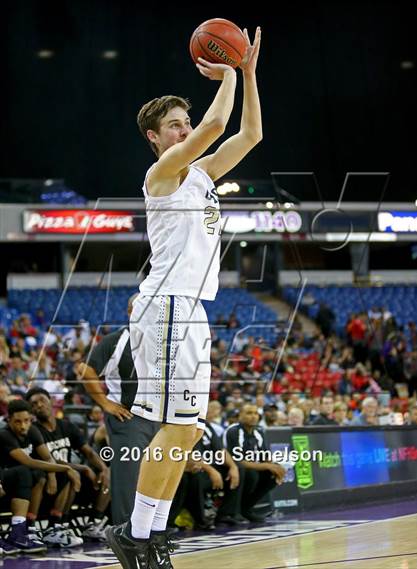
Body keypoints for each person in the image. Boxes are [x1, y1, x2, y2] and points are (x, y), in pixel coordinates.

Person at [106, 27, 263, 569]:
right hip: (168, 304)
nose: (186, 130)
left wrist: (248, 73)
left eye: (186, 123)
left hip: (191, 308)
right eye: (175, 125)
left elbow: (248, 136)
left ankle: (147, 534)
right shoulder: (163, 173)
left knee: (190, 426)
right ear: (154, 137)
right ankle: (135, 532)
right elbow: (220, 123)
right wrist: (226, 71)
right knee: (174, 426)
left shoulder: (199, 176)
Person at [78, 294, 159, 525]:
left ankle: (149, 528)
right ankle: (126, 529)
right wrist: (105, 403)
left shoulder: (158, 341)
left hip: (156, 416)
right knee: (128, 477)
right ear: (130, 312)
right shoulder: (117, 340)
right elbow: (86, 371)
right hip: (128, 418)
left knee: (154, 474)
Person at [25, 387, 110, 542]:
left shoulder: (66, 426)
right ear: (31, 410)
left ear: (51, 402)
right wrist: (81, 468)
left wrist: (103, 468)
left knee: (110, 474)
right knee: (70, 473)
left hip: (71, 480)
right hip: (49, 483)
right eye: (34, 404)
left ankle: (94, 524)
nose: (39, 405)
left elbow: (89, 452)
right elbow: (47, 460)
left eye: (42, 400)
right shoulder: (33, 431)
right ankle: (56, 526)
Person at [0, 400, 81, 552]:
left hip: (26, 486)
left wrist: (54, 473)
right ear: (8, 420)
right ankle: (26, 531)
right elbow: (28, 462)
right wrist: (65, 467)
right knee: (27, 471)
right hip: (6, 482)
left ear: (31, 419)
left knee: (59, 475)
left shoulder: (32, 430)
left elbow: (48, 457)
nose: (23, 426)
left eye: (26, 421)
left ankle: (53, 529)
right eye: (18, 422)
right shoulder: (5, 435)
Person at [223, 404, 285, 522]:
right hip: (229, 468)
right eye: (249, 413)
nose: (253, 416)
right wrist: (267, 466)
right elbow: (238, 460)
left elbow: (265, 456)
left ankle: (246, 509)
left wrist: (276, 467)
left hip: (249, 468)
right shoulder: (233, 431)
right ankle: (232, 511)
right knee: (250, 474)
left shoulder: (258, 432)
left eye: (256, 413)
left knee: (272, 475)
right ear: (240, 415)